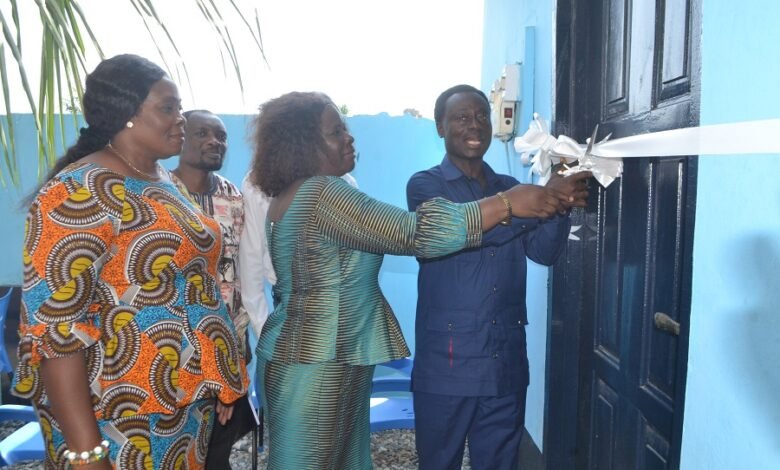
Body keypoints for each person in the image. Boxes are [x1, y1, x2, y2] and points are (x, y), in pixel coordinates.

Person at [248, 91, 583, 469]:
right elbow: (414, 233)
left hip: (320, 352)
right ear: (305, 144)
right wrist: (508, 204)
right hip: (317, 360)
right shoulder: (323, 193)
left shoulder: (295, 194)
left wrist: (535, 202)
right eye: (336, 131)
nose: (349, 137)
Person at [13, 54, 247, 469]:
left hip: (181, 403)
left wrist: (218, 373)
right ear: (127, 115)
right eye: (168, 107)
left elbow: (191, 286)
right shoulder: (78, 192)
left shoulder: (165, 181)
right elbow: (56, 330)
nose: (181, 119)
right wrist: (87, 452)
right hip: (116, 416)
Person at [406, 84, 591, 470]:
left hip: (504, 363)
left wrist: (558, 203)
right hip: (447, 367)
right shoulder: (425, 186)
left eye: (481, 116)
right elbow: (458, 235)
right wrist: (526, 204)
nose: (474, 125)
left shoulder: (510, 187)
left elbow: (544, 252)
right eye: (460, 117)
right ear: (440, 127)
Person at [170, 109, 254, 468]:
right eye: (202, 133)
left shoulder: (234, 198)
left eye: (220, 136)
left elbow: (244, 272)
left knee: (218, 446)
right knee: (178, 443)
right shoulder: (160, 193)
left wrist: (239, 349)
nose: (214, 141)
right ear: (180, 138)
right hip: (175, 345)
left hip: (227, 342)